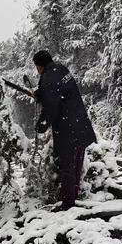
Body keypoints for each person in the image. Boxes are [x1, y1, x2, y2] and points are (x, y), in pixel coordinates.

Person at [32, 50, 97, 210]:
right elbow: (57, 90)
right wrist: (40, 93)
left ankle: (68, 205)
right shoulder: (60, 69)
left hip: (68, 127)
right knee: (76, 162)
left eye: (37, 67)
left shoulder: (48, 77)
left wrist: (41, 124)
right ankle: (73, 198)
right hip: (79, 122)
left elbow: (52, 105)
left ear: (40, 66)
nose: (37, 71)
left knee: (67, 166)